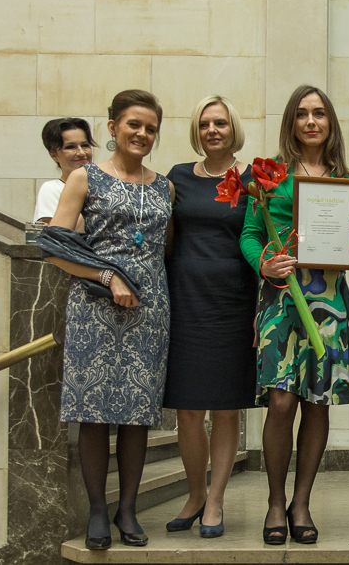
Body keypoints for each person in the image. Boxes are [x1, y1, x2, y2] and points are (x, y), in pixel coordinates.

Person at [41, 90, 172, 550]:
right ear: (113, 126)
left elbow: (165, 249)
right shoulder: (84, 176)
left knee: (138, 415)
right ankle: (98, 510)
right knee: (94, 414)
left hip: (150, 310)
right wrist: (107, 275)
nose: (142, 134)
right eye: (133, 124)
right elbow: (54, 247)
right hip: (95, 306)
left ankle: (128, 510)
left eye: (151, 128)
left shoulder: (164, 186)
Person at [239, 85, 349, 545]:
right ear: (291, 123)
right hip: (281, 301)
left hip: (330, 303)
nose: (311, 121)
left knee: (317, 402)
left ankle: (302, 503)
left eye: (319, 114)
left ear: (330, 122)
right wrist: (263, 263)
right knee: (281, 402)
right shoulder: (270, 175)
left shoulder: (346, 177)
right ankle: (275, 501)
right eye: (301, 114)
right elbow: (251, 233)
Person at [162, 95, 257, 538]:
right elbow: (166, 238)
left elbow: (262, 238)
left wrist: (262, 308)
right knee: (186, 409)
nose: (212, 130)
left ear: (232, 127)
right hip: (184, 303)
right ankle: (195, 493)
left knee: (224, 408)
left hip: (233, 304)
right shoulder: (178, 177)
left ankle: (215, 499)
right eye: (204, 124)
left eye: (220, 123)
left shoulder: (255, 178)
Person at [34, 117, 96, 229]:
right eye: (70, 147)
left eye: (85, 145)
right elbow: (59, 236)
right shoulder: (52, 189)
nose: (81, 152)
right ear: (54, 155)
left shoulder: (104, 185)